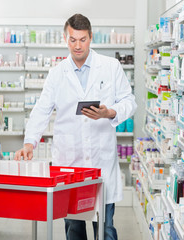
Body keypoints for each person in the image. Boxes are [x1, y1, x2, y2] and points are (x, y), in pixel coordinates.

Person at [14, 13, 137, 240]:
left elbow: (130, 102)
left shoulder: (110, 67)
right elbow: (42, 109)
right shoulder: (57, 73)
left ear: (90, 37)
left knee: (106, 228)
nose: (77, 46)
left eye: (82, 39)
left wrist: (110, 112)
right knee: (74, 228)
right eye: (73, 40)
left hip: (101, 162)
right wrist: (30, 142)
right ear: (65, 38)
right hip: (70, 163)